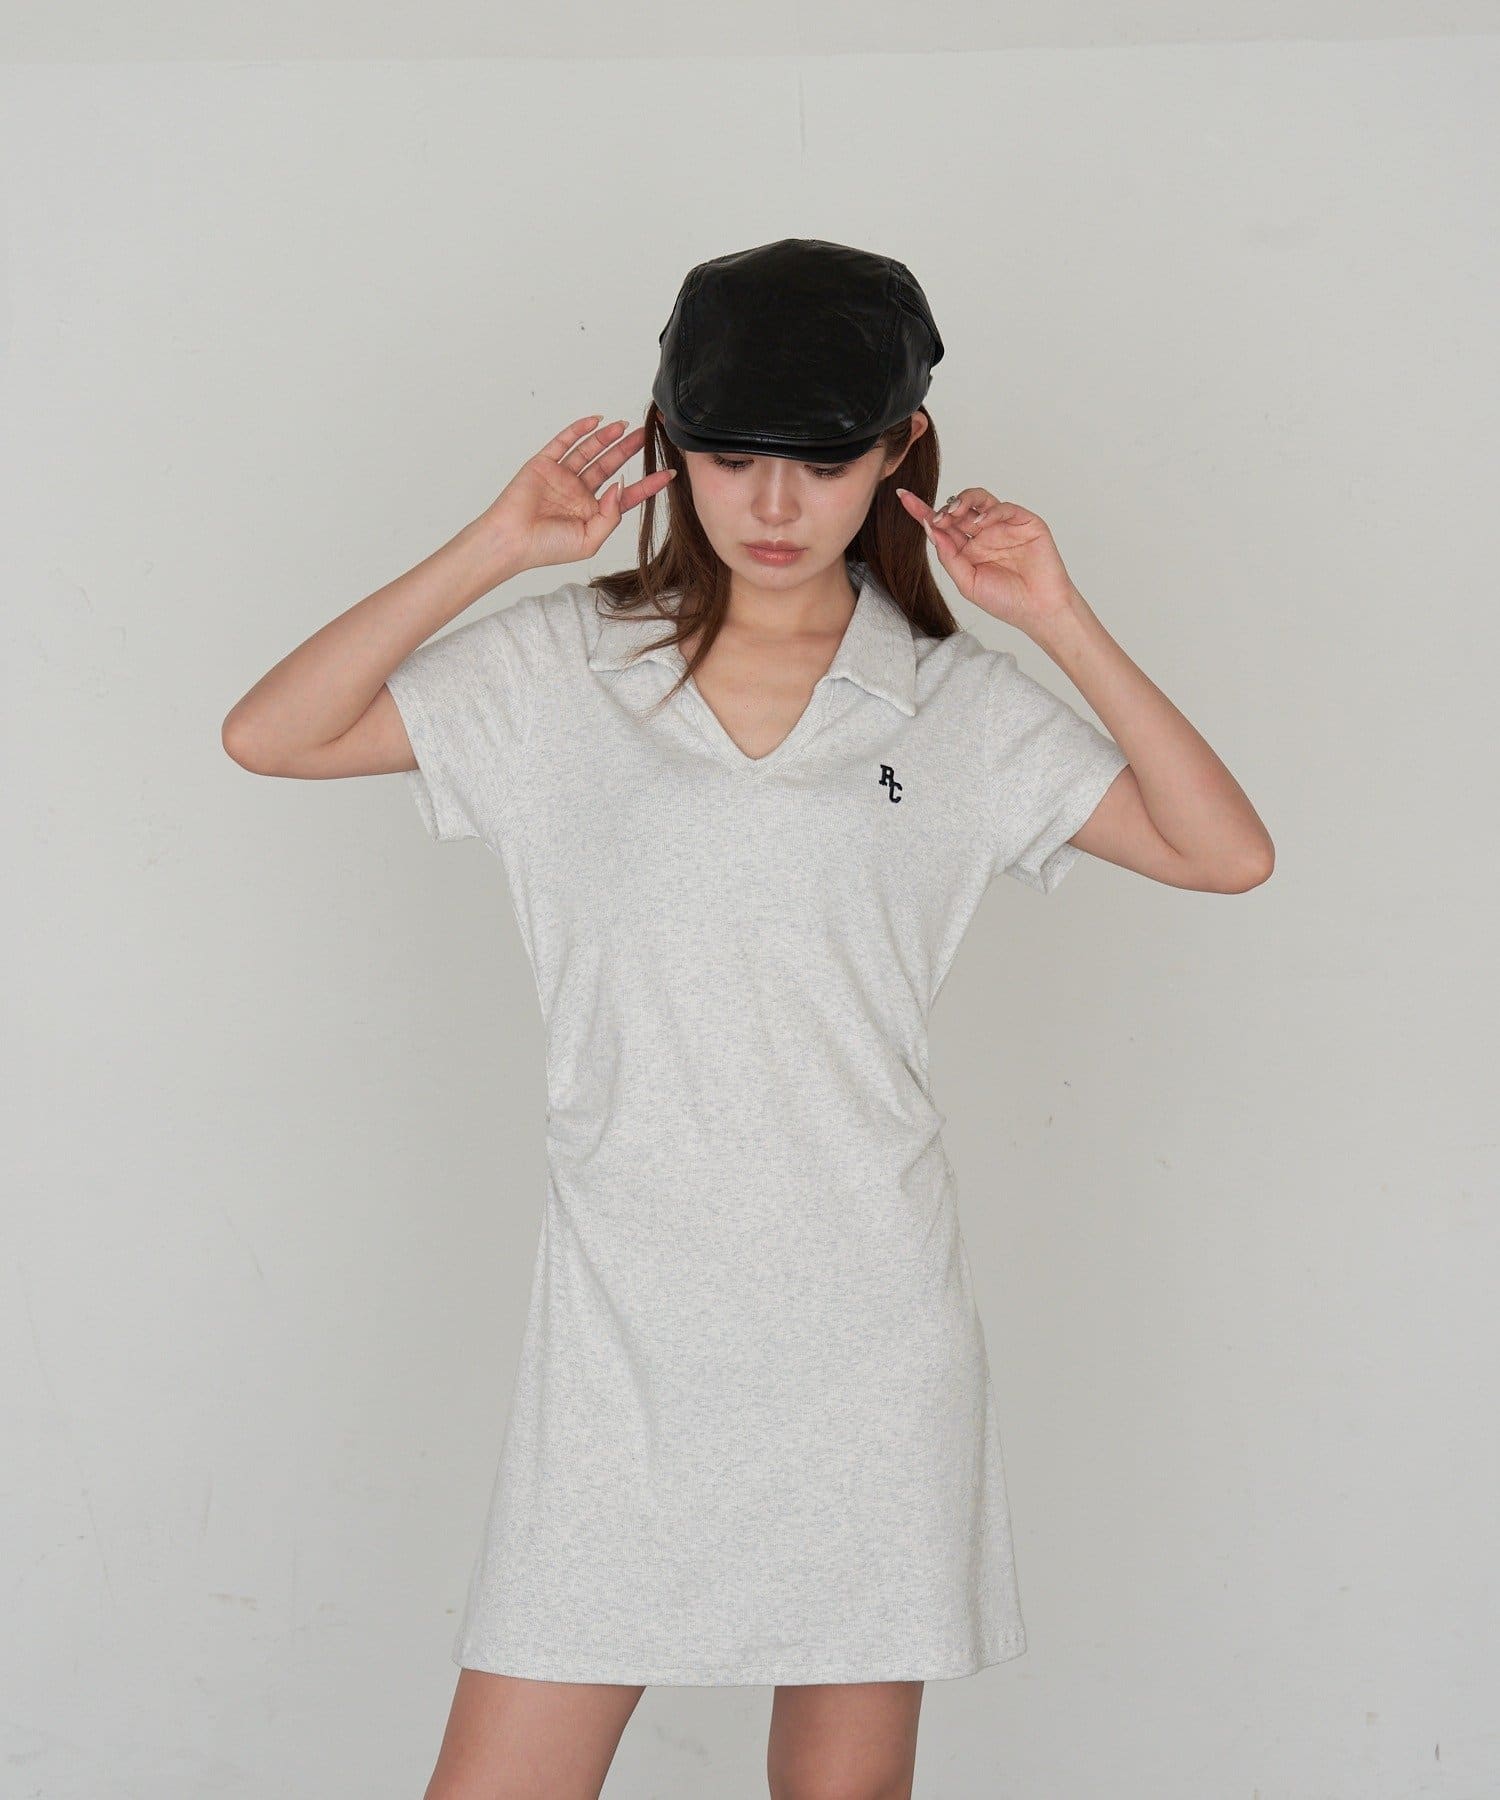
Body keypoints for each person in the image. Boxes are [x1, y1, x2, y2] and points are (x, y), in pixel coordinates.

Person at [222, 239, 1274, 1800]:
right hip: (621, 1338)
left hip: (868, 1333)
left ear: (900, 453)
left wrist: (1058, 619)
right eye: (728, 456)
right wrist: (493, 546)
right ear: (670, 441)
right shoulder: (564, 668)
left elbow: (1224, 852)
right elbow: (271, 733)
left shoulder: (954, 705)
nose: (773, 505)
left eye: (825, 460)